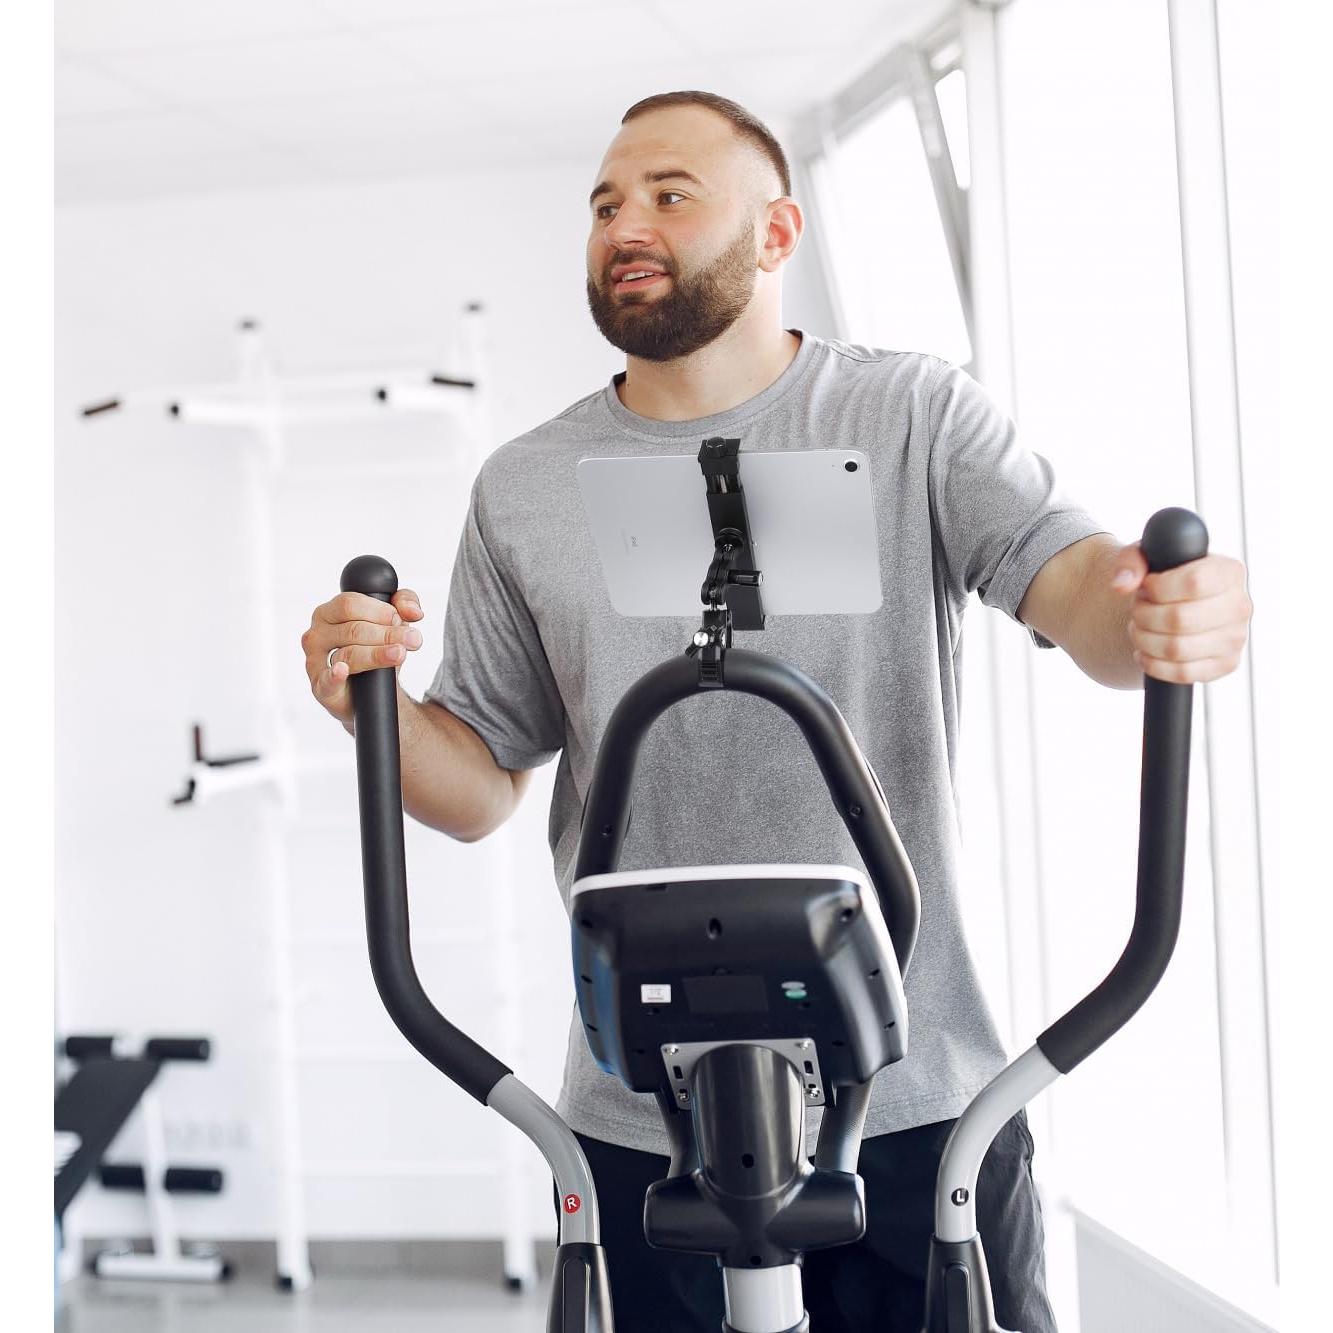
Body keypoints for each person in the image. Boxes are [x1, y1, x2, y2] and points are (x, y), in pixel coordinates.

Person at [300, 91, 1252, 1333]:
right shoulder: (526, 486)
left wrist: (1152, 617)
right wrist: (369, 709)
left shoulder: (907, 413)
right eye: (603, 203)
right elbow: (476, 780)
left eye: (668, 194)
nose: (623, 223)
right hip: (645, 1114)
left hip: (916, 1103)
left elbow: (1071, 583)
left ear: (777, 231)